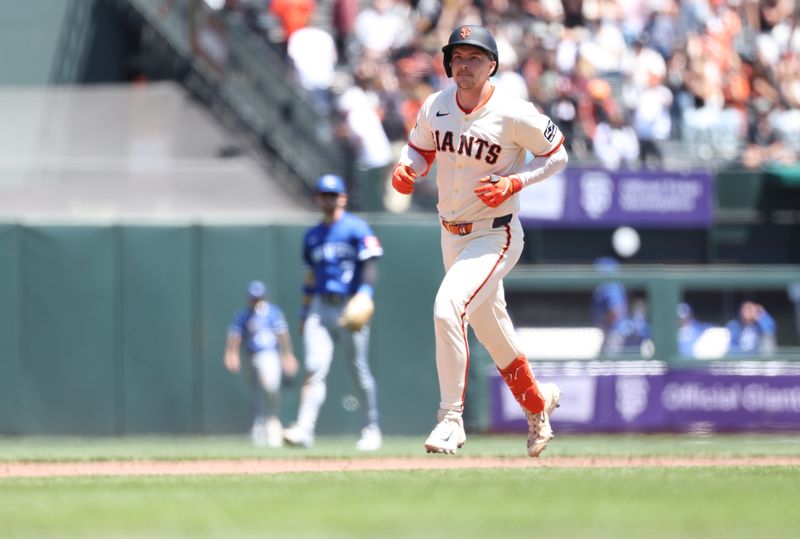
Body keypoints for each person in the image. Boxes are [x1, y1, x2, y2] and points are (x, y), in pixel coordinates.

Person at [389, 25, 568, 457]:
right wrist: (405, 165)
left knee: (448, 308)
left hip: (496, 231)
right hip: (451, 234)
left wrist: (514, 183)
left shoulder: (513, 111)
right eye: (457, 56)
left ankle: (450, 419)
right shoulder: (436, 104)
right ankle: (537, 404)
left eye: (473, 57)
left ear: (492, 65)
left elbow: (558, 154)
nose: (463, 64)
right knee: (492, 331)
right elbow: (419, 149)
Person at [283, 174, 384, 451]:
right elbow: (310, 277)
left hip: (349, 304)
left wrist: (365, 294)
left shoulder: (356, 228)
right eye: (323, 195)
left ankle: (372, 427)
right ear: (318, 198)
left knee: (358, 371)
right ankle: (304, 429)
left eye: (332, 195)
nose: (327, 199)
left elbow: (370, 264)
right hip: (319, 306)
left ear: (343, 198)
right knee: (314, 368)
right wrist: (304, 313)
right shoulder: (312, 236)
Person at [224, 280, 299, 447]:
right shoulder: (244, 315)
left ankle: (272, 424)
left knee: (270, 387)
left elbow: (283, 335)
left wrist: (287, 356)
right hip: (252, 356)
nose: (256, 300)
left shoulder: (273, 312)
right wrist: (231, 354)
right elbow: (235, 335)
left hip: (270, 355)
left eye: (259, 297)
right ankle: (258, 429)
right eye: (253, 297)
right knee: (256, 393)